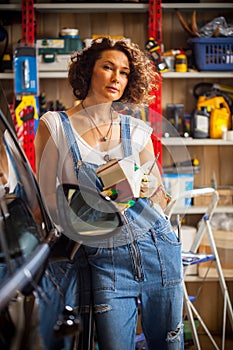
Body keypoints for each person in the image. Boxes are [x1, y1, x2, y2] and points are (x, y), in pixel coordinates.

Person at [34, 37, 184, 350]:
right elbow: (48, 201)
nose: (117, 77)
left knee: (169, 344)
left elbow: (159, 195)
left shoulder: (137, 129)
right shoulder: (56, 125)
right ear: (88, 71)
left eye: (125, 72)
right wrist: (89, 204)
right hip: (106, 261)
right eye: (108, 67)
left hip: (158, 248)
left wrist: (145, 186)